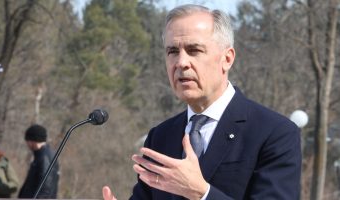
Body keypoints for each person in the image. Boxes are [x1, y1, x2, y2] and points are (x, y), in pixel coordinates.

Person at [103, 4, 301, 200]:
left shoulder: (275, 133)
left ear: (227, 58)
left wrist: (202, 194)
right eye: (172, 51)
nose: (181, 62)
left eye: (194, 50)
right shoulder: (160, 137)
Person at [18, 124, 59, 198]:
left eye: (27, 140)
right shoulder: (41, 155)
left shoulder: (44, 157)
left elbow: (46, 188)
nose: (27, 143)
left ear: (32, 140)